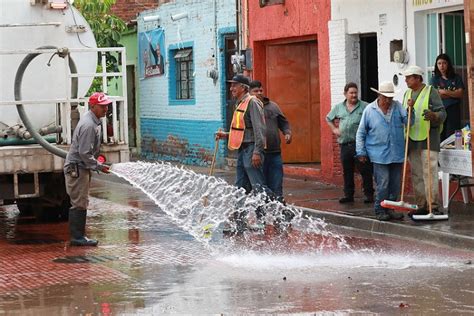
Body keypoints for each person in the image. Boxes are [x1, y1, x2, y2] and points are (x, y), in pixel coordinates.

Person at [215, 74, 270, 232]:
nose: (231, 88)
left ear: (244, 88)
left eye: (235, 85)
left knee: (258, 187)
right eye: (231, 85)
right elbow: (242, 129)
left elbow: (260, 129)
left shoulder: (252, 102)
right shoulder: (239, 103)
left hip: (252, 149)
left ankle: (263, 220)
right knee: (240, 188)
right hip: (242, 149)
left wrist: (257, 152)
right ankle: (239, 223)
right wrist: (226, 135)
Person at [356, 81, 413, 221]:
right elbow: (361, 133)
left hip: (397, 152)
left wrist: (411, 110)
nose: (388, 100)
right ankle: (380, 209)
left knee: (395, 183)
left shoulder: (398, 106)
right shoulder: (370, 110)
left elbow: (409, 122)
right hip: (378, 153)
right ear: (379, 95)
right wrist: (361, 152)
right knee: (383, 183)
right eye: (385, 97)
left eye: (390, 97)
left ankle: (391, 208)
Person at [64, 92, 111, 246]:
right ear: (93, 106)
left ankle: (79, 237)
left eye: (106, 105)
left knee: (82, 201)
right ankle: (77, 238)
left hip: (81, 167)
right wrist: (99, 166)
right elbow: (84, 153)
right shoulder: (89, 125)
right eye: (102, 106)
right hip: (77, 168)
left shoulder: (94, 121)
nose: (106, 109)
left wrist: (96, 163)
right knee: (79, 202)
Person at [402, 65, 446, 217]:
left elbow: (442, 112)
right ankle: (422, 204)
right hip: (412, 139)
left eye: (409, 77)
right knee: (417, 174)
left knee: (430, 172)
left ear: (418, 78)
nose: (406, 80)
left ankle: (433, 206)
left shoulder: (430, 91)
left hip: (429, 137)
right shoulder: (407, 93)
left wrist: (434, 115)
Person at [327, 82, 374, 204]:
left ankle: (369, 195)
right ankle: (348, 195)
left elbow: (373, 119)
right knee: (347, 171)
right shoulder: (339, 107)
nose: (354, 95)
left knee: (365, 170)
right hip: (345, 145)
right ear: (345, 94)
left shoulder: (365, 106)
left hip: (360, 145)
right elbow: (328, 118)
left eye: (355, 92)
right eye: (351, 93)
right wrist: (334, 129)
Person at [249, 80, 291, 201]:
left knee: (277, 185)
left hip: (275, 153)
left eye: (260, 90)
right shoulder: (248, 108)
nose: (259, 93)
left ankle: (279, 214)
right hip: (258, 155)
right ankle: (262, 214)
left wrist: (287, 132)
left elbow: (283, 123)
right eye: (255, 91)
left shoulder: (273, 106)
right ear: (250, 93)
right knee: (261, 188)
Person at [429, 53, 465, 141]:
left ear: (448, 64)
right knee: (441, 133)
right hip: (440, 109)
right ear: (436, 65)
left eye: (444, 63)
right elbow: (436, 96)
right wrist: (453, 93)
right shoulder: (434, 79)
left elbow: (460, 94)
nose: (442, 66)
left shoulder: (456, 78)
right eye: (439, 63)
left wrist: (444, 91)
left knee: (453, 135)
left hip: (454, 109)